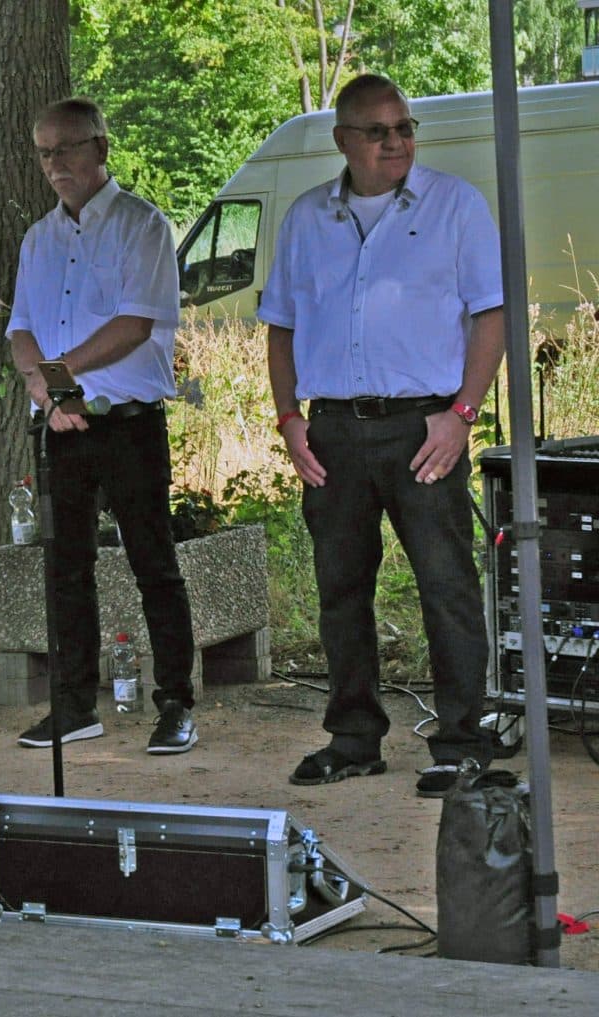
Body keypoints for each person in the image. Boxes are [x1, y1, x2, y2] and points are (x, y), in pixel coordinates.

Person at [258, 73, 505, 798]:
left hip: (424, 424)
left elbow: (490, 316)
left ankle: (463, 738)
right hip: (333, 427)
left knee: (446, 585)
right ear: (343, 142)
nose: (396, 141)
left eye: (404, 127)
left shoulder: (455, 205)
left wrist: (462, 414)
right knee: (340, 589)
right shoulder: (308, 218)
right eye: (379, 130)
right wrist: (288, 417)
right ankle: (354, 735)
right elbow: (281, 328)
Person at [7, 97, 197, 756]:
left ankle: (174, 701)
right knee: (65, 567)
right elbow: (21, 329)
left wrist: (59, 373)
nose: (55, 163)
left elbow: (134, 324)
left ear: (101, 148)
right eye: (44, 151)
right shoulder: (38, 238)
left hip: (127, 421)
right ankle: (74, 701)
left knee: (154, 563)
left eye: (67, 148)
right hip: (62, 424)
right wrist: (49, 390)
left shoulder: (142, 226)